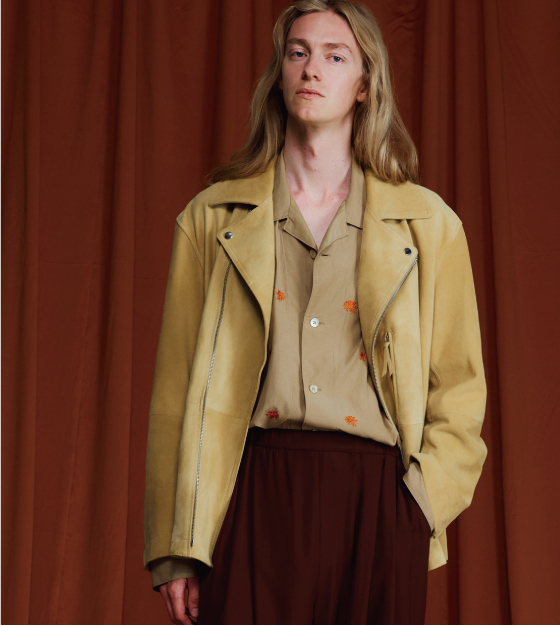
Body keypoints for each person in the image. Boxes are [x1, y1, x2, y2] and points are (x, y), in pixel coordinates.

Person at [143, 1, 487, 624]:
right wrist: (176, 548)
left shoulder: (429, 225)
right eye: (298, 52)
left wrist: (420, 505)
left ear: (364, 85)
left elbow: (459, 391)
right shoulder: (211, 219)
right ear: (279, 75)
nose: (311, 68)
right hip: (250, 492)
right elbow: (174, 393)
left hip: (380, 501)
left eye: (335, 55)